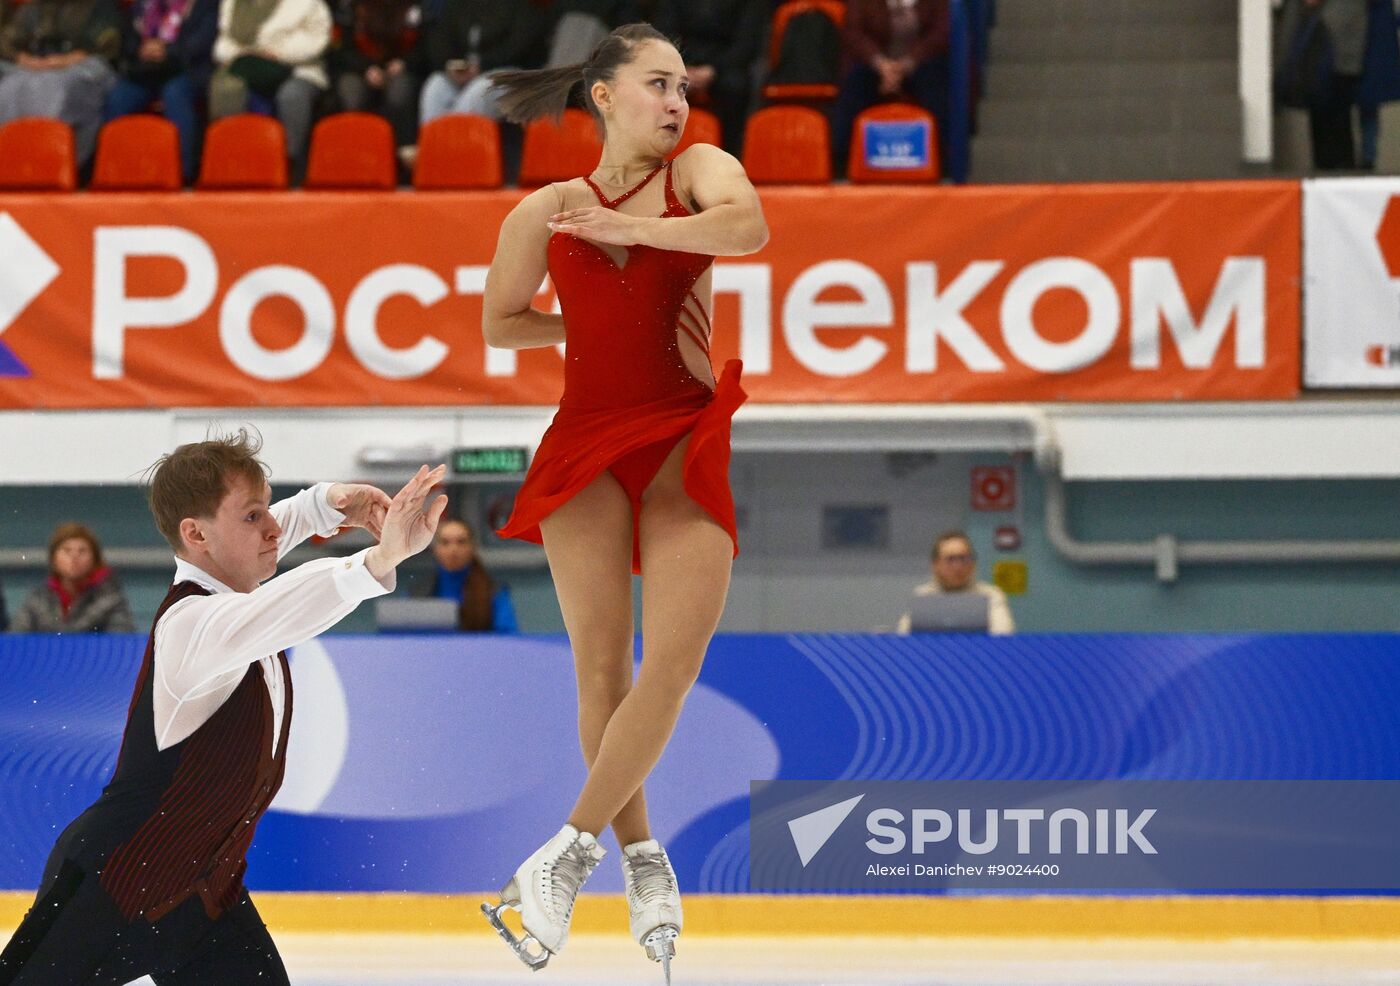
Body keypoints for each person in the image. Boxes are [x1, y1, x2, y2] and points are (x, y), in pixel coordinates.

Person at [478, 21, 767, 978]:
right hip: (586, 445)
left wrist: (630, 231)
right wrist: (579, 324)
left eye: (682, 84)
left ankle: (567, 851)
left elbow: (749, 229)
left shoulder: (698, 174)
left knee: (672, 665)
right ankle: (644, 863)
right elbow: (502, 321)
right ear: (603, 94)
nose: (676, 100)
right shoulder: (546, 209)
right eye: (656, 83)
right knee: (598, 670)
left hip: (684, 437)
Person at [0, 431, 446, 985]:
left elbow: (248, 544)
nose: (273, 530)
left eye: (269, 511)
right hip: (110, 888)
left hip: (203, 900)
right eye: (253, 516)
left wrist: (326, 503)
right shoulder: (192, 624)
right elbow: (285, 605)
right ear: (195, 534)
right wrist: (377, 560)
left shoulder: (228, 586)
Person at [208, 0, 332, 183]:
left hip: (297, 68)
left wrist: (276, 52)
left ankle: (290, 165)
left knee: (291, 95)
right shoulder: (232, 3)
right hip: (247, 64)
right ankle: (231, 163)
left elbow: (318, 40)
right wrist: (246, 54)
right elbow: (223, 43)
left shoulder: (309, 4)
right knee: (228, 87)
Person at [831, 0, 951, 179]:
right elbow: (854, 33)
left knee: (936, 82)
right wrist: (882, 65)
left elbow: (940, 34)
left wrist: (907, 63)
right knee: (854, 84)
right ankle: (840, 163)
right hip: (874, 64)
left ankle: (943, 162)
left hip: (920, 63)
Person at [103, 0, 219, 183]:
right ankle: (113, 172)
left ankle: (182, 174)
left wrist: (167, 50)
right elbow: (127, 41)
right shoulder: (142, 5)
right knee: (119, 97)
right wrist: (141, 49)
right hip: (146, 70)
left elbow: (202, 41)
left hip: (187, 70)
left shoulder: (204, 4)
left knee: (175, 94)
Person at [0, 0, 123, 167]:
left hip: (82, 65)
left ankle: (50, 162)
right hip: (35, 65)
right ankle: (12, 163)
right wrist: (25, 59)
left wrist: (65, 60)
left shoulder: (100, 7)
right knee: (9, 87)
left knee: (56, 87)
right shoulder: (33, 8)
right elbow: (8, 41)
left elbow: (107, 46)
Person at [651, 0, 766, 156]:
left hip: (724, 65)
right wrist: (681, 70)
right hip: (680, 63)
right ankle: (654, 160)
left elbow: (747, 42)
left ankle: (731, 157)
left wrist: (712, 70)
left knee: (736, 86)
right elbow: (663, 37)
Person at [418, 0, 549, 126]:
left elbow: (518, 47)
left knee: (481, 89)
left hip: (510, 73)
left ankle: (458, 144)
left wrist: (481, 66)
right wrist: (452, 66)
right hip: (466, 72)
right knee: (435, 86)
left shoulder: (520, 5)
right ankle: (434, 144)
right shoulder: (458, 4)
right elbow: (441, 40)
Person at [328, 0, 424, 156]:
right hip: (361, 70)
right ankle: (356, 153)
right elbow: (341, 52)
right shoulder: (351, 8)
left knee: (400, 90)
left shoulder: (416, 8)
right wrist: (366, 68)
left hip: (402, 70)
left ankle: (401, 156)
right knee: (350, 89)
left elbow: (426, 47)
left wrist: (404, 63)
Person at [10, 522, 136, 634]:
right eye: (67, 550)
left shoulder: (111, 600)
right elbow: (15, 640)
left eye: (82, 551)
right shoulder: (38, 599)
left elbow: (119, 643)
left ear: (95, 559)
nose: (74, 557)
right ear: (54, 558)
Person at [897, 530, 1015, 635]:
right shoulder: (923, 596)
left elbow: (1002, 636)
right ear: (935, 565)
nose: (958, 566)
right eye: (951, 559)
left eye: (963, 559)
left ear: (972, 564)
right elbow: (904, 637)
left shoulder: (991, 595)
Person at [415, 517, 519, 632]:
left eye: (461, 542)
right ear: (436, 549)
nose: (453, 549)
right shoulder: (418, 593)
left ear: (472, 547)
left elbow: (507, 637)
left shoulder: (494, 591)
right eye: (445, 542)